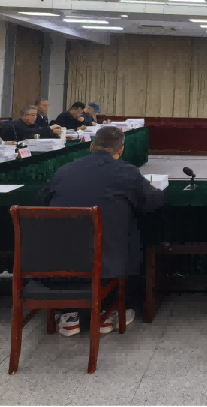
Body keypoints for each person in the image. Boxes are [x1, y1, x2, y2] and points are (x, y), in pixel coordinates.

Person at [37, 126, 165, 336]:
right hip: (107, 263)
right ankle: (109, 310)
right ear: (120, 151)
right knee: (129, 233)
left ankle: (69, 314)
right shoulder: (127, 172)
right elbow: (152, 203)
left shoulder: (65, 170)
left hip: (60, 262)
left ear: (91, 146)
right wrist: (154, 191)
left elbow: (41, 200)